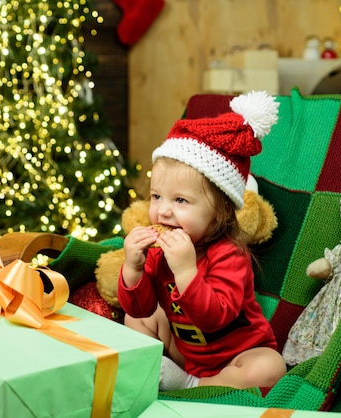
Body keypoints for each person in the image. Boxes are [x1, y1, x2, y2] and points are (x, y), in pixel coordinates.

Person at [117, 91, 287, 391]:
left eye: (181, 200)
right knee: (136, 319)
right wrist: (133, 268)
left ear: (220, 212)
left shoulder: (230, 254)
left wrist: (185, 271)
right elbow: (141, 307)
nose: (163, 210)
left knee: (270, 367)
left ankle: (192, 386)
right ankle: (172, 372)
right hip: (186, 350)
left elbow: (215, 317)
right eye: (156, 196)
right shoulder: (160, 251)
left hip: (235, 357)